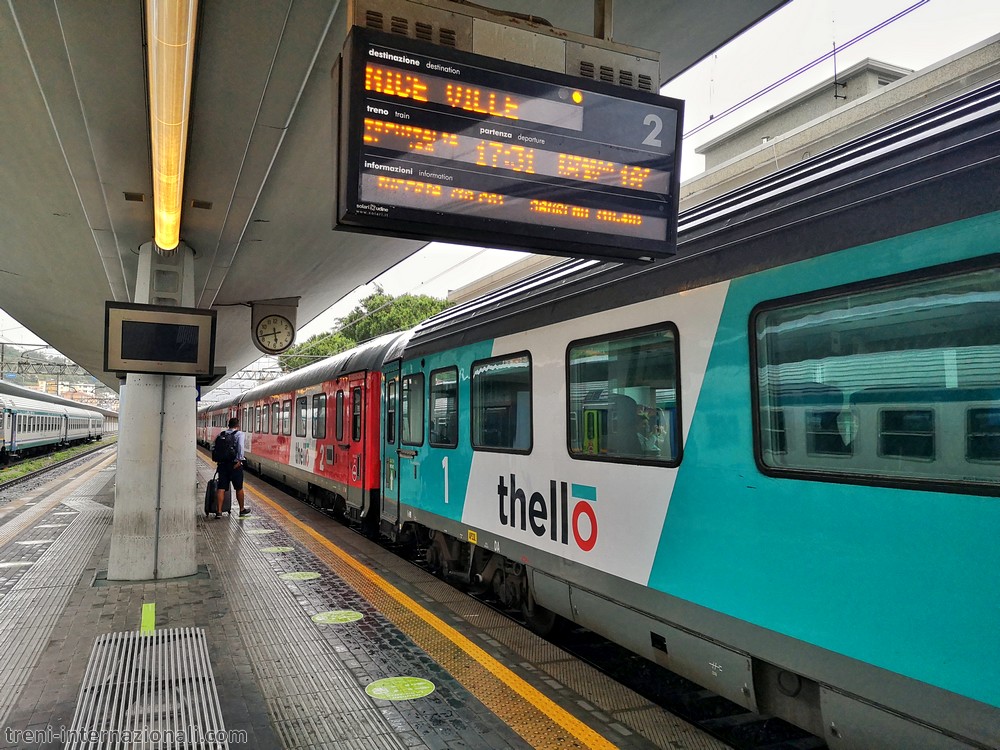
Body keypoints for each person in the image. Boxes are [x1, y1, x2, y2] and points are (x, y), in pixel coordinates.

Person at [216, 416, 250, 518]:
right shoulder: (239, 434)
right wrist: (239, 460)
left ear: (228, 425)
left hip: (222, 465)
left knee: (221, 488)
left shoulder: (221, 434)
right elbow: (240, 447)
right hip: (235, 465)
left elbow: (215, 448)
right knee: (239, 488)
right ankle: (242, 509)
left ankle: (219, 512)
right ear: (237, 426)